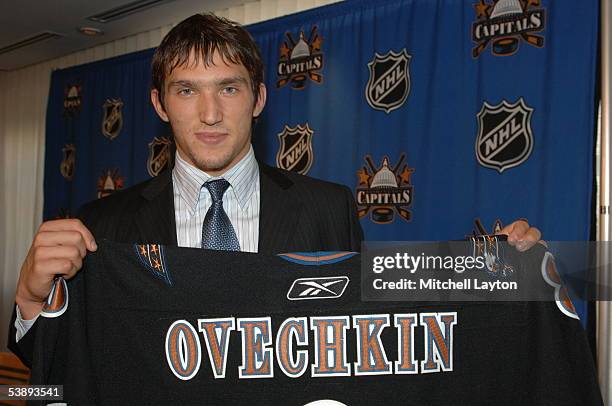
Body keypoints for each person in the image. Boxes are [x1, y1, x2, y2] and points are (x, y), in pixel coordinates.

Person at [8, 13, 541, 366]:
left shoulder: (326, 206)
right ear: (159, 105)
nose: (211, 113)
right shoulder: (102, 225)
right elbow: (50, 374)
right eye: (187, 90)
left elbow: (370, 333)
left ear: (258, 99)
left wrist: (491, 274)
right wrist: (31, 301)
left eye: (229, 88)